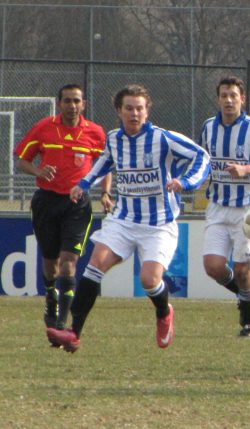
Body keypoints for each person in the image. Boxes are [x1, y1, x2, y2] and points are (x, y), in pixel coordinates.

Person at [46, 84, 210, 353]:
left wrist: (186, 181)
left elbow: (201, 157)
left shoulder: (163, 138)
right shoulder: (113, 139)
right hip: (123, 219)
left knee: (149, 279)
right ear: (119, 111)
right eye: (129, 108)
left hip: (158, 223)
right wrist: (84, 183)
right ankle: (73, 332)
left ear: (147, 111)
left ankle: (163, 312)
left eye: (140, 109)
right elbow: (105, 162)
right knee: (95, 264)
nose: (135, 114)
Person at [14, 84, 112, 346]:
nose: (72, 105)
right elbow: (22, 159)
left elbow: (106, 163)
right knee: (51, 264)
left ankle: (61, 323)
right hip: (46, 202)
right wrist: (38, 172)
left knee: (70, 261)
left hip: (77, 204)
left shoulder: (95, 132)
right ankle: (50, 297)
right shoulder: (44, 127)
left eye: (76, 101)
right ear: (59, 104)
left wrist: (105, 192)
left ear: (84, 104)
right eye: (67, 101)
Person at [199, 76, 250, 339]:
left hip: (249, 211)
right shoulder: (208, 127)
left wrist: (246, 169)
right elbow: (202, 161)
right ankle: (245, 296)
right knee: (213, 267)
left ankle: (249, 324)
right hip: (217, 206)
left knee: (243, 270)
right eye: (224, 95)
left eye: (233, 95)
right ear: (218, 99)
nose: (228, 100)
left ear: (242, 99)